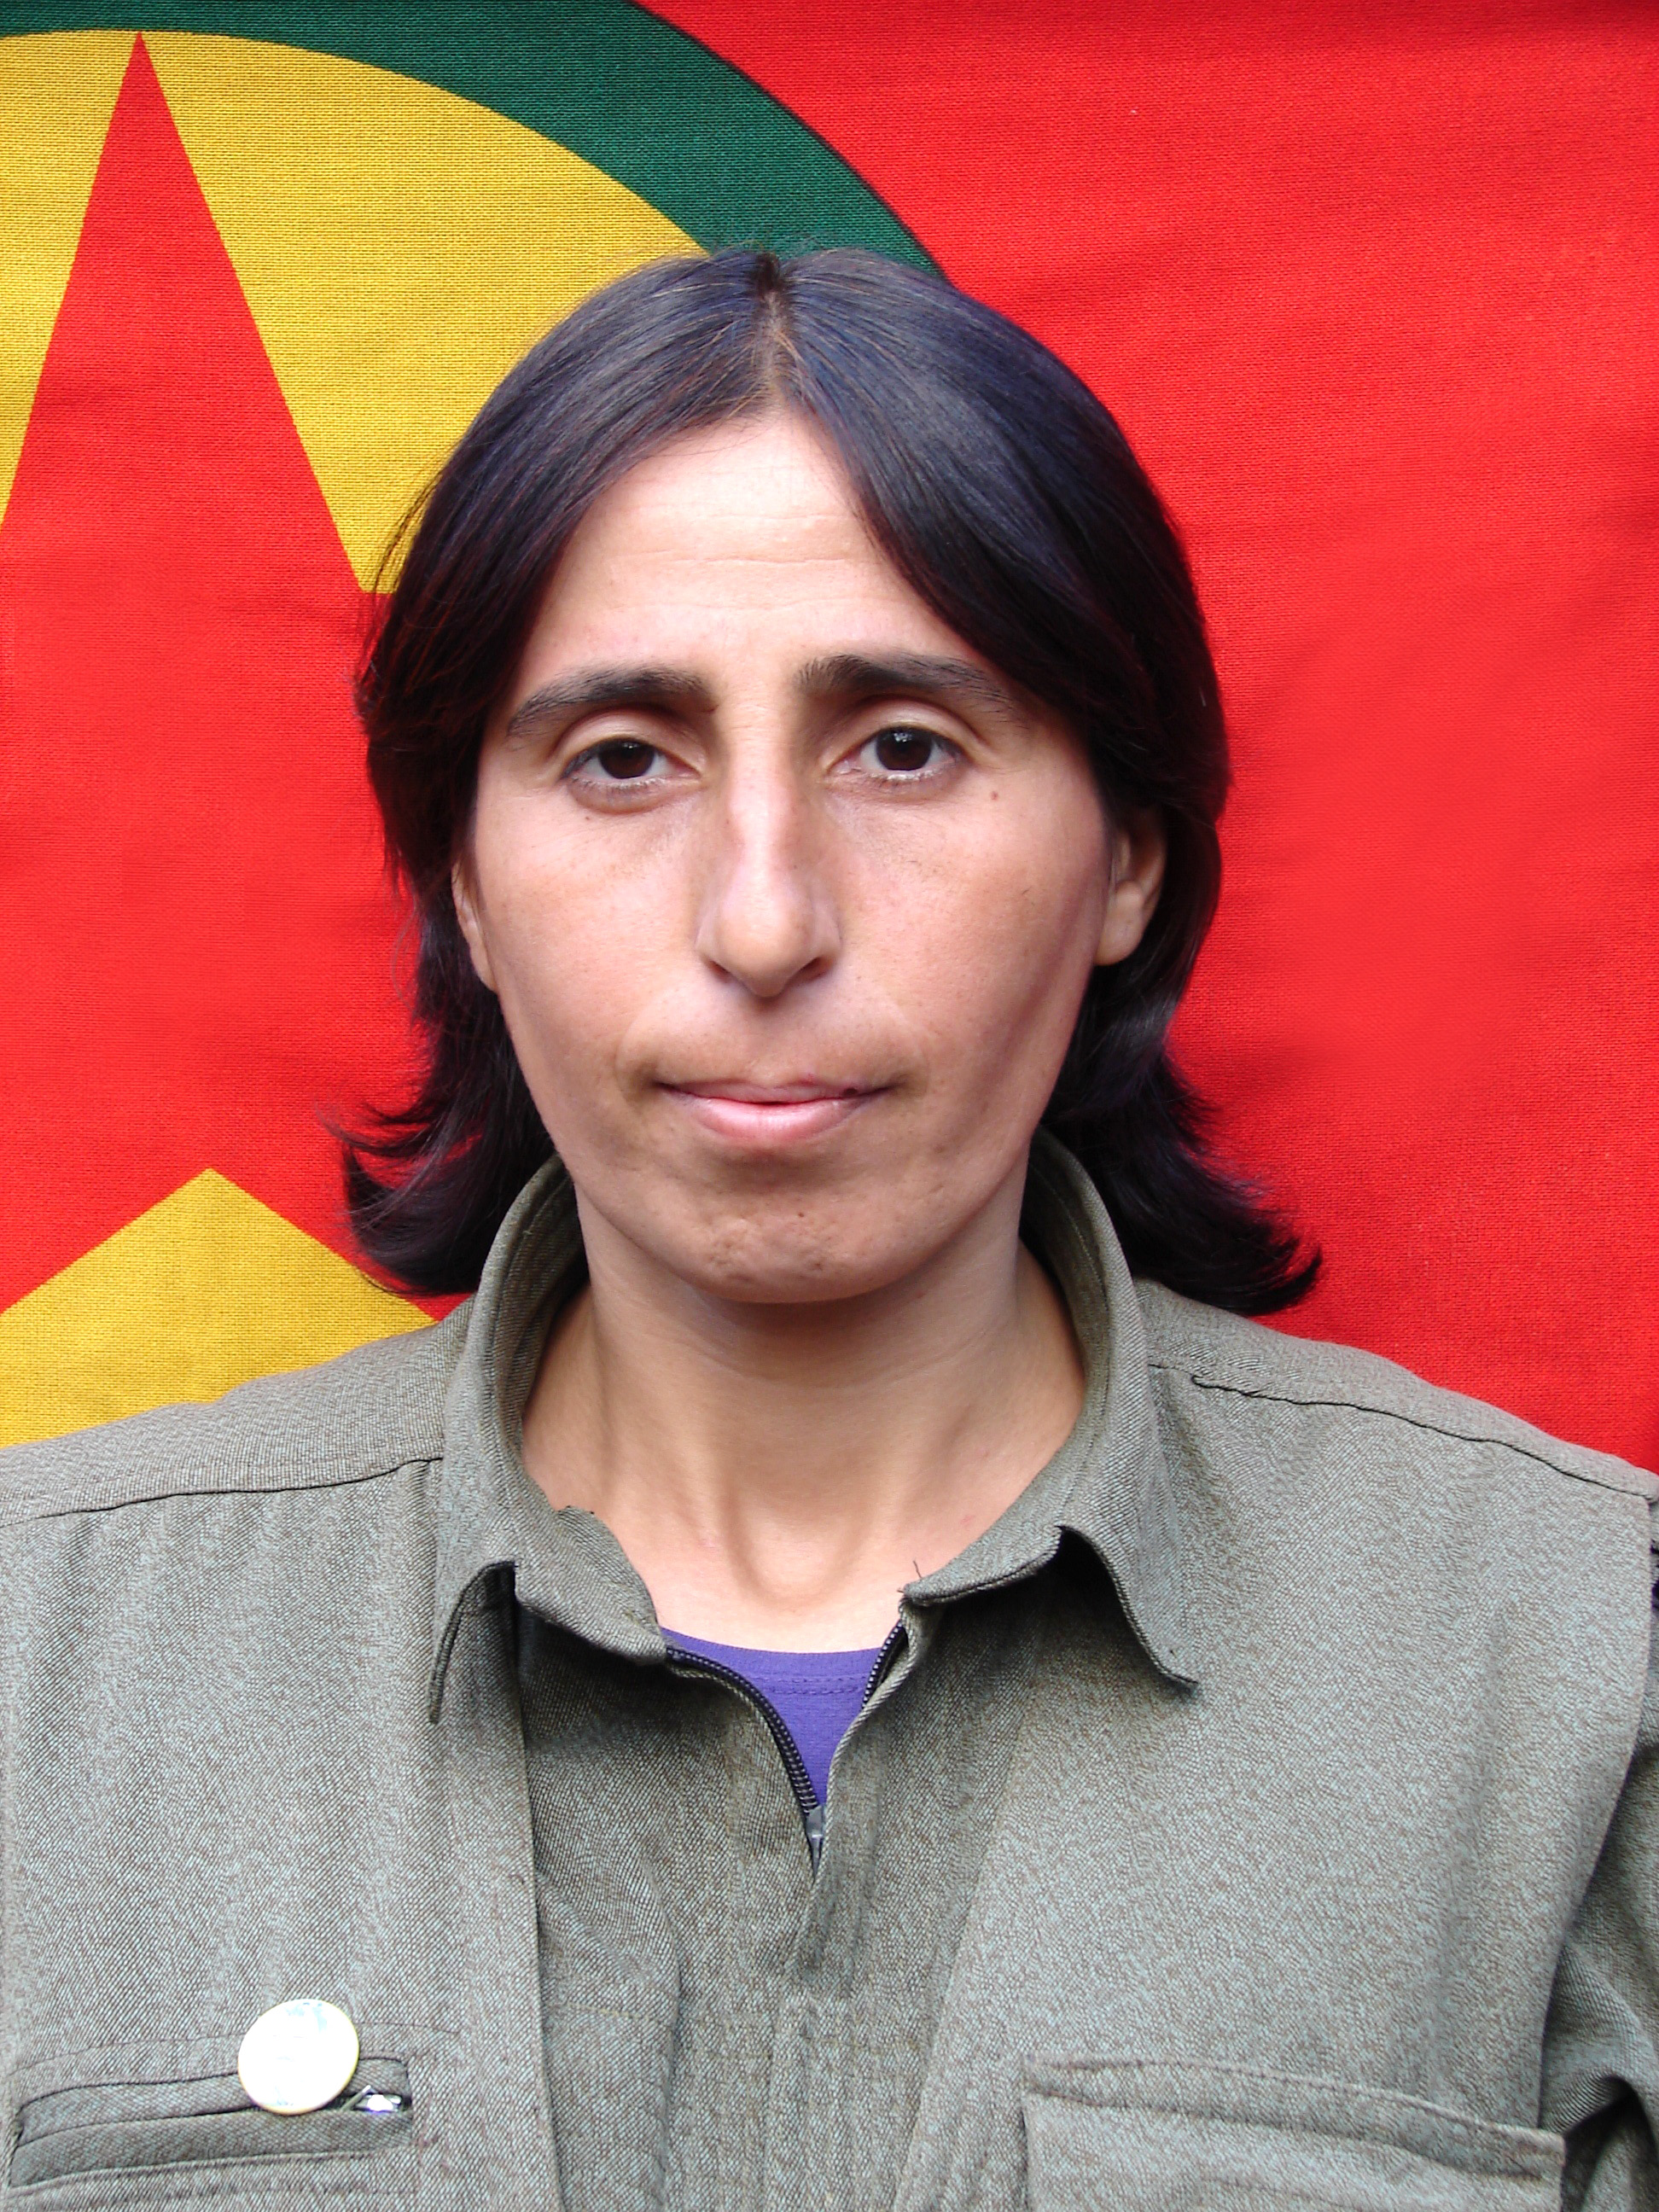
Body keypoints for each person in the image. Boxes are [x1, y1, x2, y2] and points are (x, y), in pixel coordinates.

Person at [0, 248, 1652, 2212]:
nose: (766, 921)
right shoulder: (43, 1664)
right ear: (464, 878)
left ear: (1130, 855)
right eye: (624, 761)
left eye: (906, 747)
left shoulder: (1575, 1666)